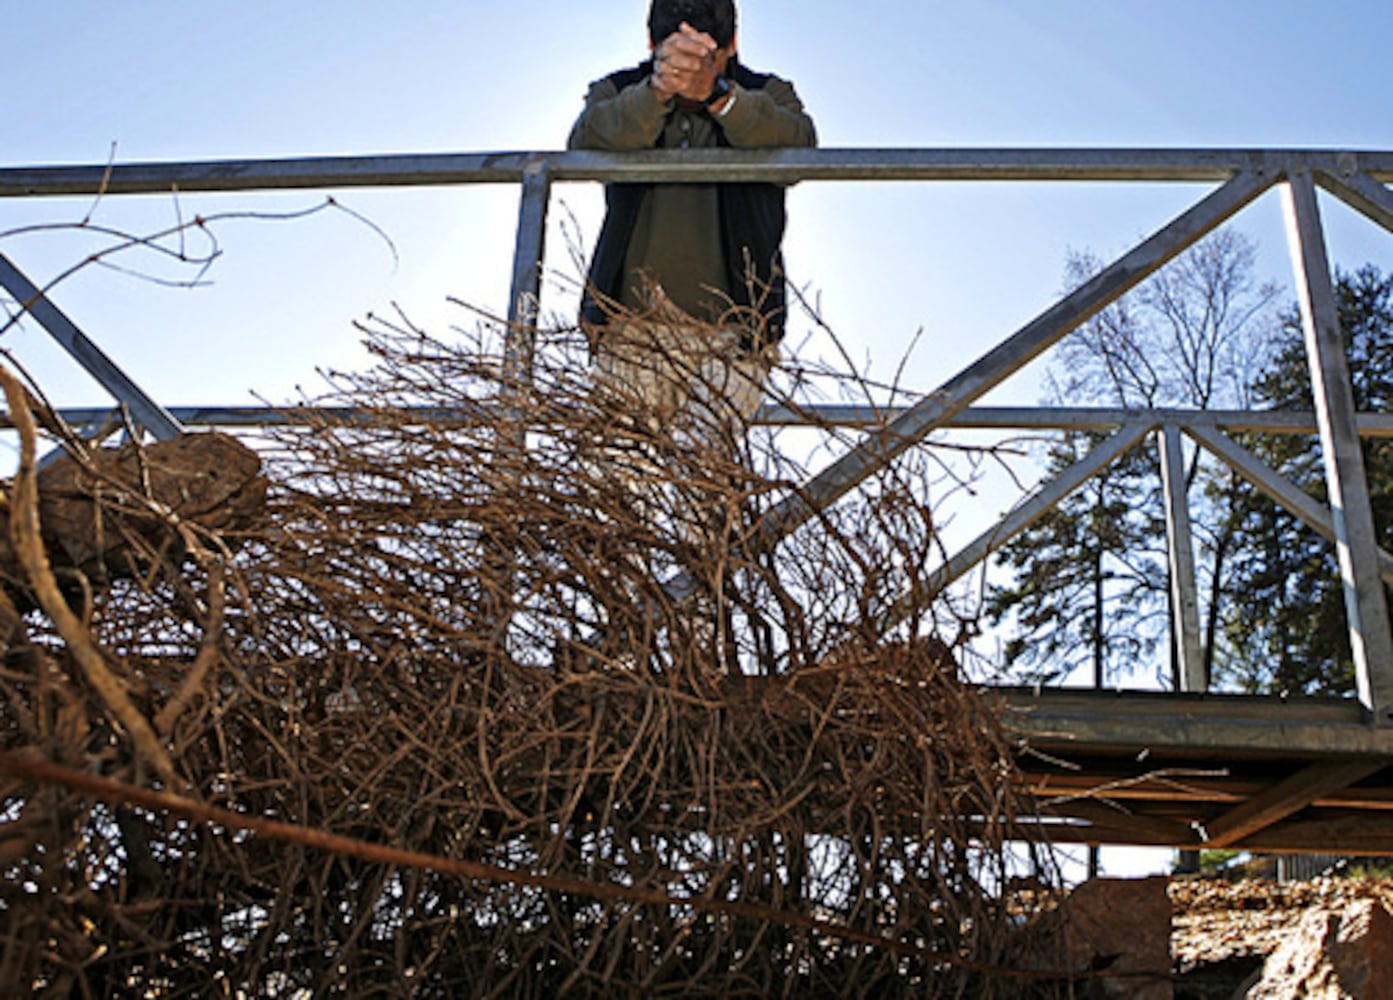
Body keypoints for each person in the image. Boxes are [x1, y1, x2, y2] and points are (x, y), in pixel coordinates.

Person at [567, 0, 816, 456]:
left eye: (707, 57)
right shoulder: (619, 89)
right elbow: (585, 145)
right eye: (677, 56)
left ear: (732, 45)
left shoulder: (768, 92)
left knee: (701, 476)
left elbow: (798, 150)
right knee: (618, 485)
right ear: (651, 45)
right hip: (631, 332)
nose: (691, 71)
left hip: (737, 336)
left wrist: (722, 97)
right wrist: (655, 93)